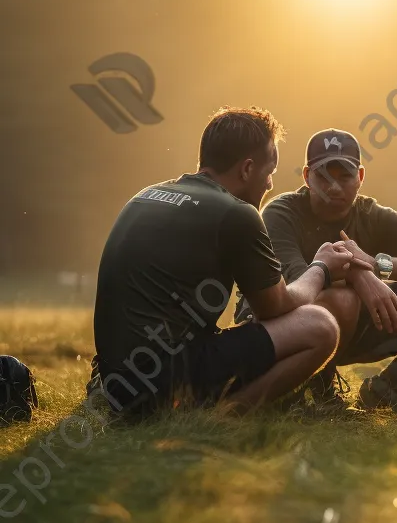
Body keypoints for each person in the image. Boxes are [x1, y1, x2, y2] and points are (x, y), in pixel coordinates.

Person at [91, 107, 366, 417]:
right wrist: (321, 268)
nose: (270, 185)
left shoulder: (146, 195)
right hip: (156, 387)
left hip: (114, 381)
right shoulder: (235, 213)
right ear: (247, 170)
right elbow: (276, 306)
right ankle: (224, 417)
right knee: (321, 326)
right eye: (269, 173)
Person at [241, 129, 397, 415]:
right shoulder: (281, 213)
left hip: (351, 324)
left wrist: (376, 264)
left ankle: (389, 386)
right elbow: (298, 286)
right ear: (306, 176)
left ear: (360, 178)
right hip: (281, 331)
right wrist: (359, 273)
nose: (334, 187)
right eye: (323, 177)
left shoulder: (373, 214)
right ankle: (320, 394)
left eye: (344, 176)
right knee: (340, 299)